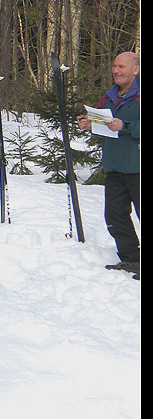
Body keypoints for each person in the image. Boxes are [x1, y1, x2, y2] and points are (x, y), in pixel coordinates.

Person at [76, 52, 140, 277]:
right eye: (114, 66)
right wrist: (89, 123)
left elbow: (125, 126)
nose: (116, 70)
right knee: (114, 215)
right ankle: (132, 259)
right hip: (114, 166)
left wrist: (126, 125)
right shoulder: (110, 95)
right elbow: (104, 123)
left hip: (138, 166)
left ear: (136, 69)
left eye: (122, 66)